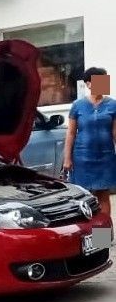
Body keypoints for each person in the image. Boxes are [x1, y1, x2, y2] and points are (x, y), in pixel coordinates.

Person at [63, 67, 116, 216]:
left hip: (106, 158)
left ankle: (102, 238)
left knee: (103, 197)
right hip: (82, 159)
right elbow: (71, 133)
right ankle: (87, 236)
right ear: (88, 84)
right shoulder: (77, 106)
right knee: (85, 198)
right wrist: (67, 159)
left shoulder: (113, 105)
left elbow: (115, 133)